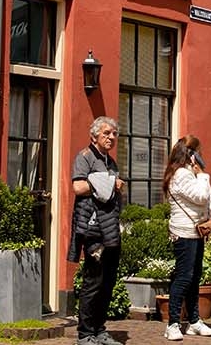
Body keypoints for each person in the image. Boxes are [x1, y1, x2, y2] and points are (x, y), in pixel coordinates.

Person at [69, 116, 126, 345]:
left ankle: (100, 329)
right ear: (94, 136)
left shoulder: (110, 162)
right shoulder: (84, 158)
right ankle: (85, 333)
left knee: (108, 282)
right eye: (106, 133)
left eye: (114, 133)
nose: (111, 137)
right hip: (93, 231)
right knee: (93, 281)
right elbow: (78, 186)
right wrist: (109, 183)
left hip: (110, 229)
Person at [160, 136, 211, 341]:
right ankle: (173, 324)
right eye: (197, 152)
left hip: (196, 231)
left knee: (194, 277)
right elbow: (202, 197)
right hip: (184, 233)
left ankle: (194, 321)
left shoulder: (188, 173)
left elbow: (208, 199)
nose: (201, 156)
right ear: (190, 154)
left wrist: (201, 177)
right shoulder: (182, 175)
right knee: (184, 277)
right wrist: (202, 175)